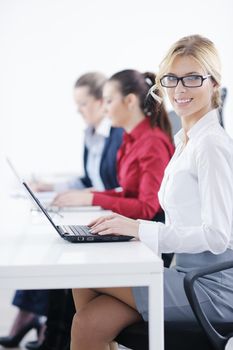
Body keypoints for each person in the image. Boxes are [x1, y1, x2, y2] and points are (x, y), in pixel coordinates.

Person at [70, 34, 233, 350]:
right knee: (88, 323)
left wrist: (140, 229)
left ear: (214, 83)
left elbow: (218, 236)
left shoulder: (212, 145)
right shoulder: (186, 141)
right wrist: (133, 233)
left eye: (193, 78)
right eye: (172, 78)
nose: (180, 89)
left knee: (83, 275)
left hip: (209, 288)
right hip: (184, 275)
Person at [0, 72, 123, 349]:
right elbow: (88, 179)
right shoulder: (90, 134)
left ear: (102, 101)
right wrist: (50, 186)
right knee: (50, 242)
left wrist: (82, 196)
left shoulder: (117, 135)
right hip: (93, 208)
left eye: (83, 104)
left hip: (106, 214)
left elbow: (118, 186)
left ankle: (45, 327)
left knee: (60, 251)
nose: (79, 111)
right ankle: (38, 322)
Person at [52, 69, 174, 221]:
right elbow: (129, 194)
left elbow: (147, 208)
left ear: (130, 101)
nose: (104, 109)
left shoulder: (152, 143)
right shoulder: (130, 140)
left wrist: (92, 199)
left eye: (109, 101)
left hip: (149, 236)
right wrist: (90, 195)